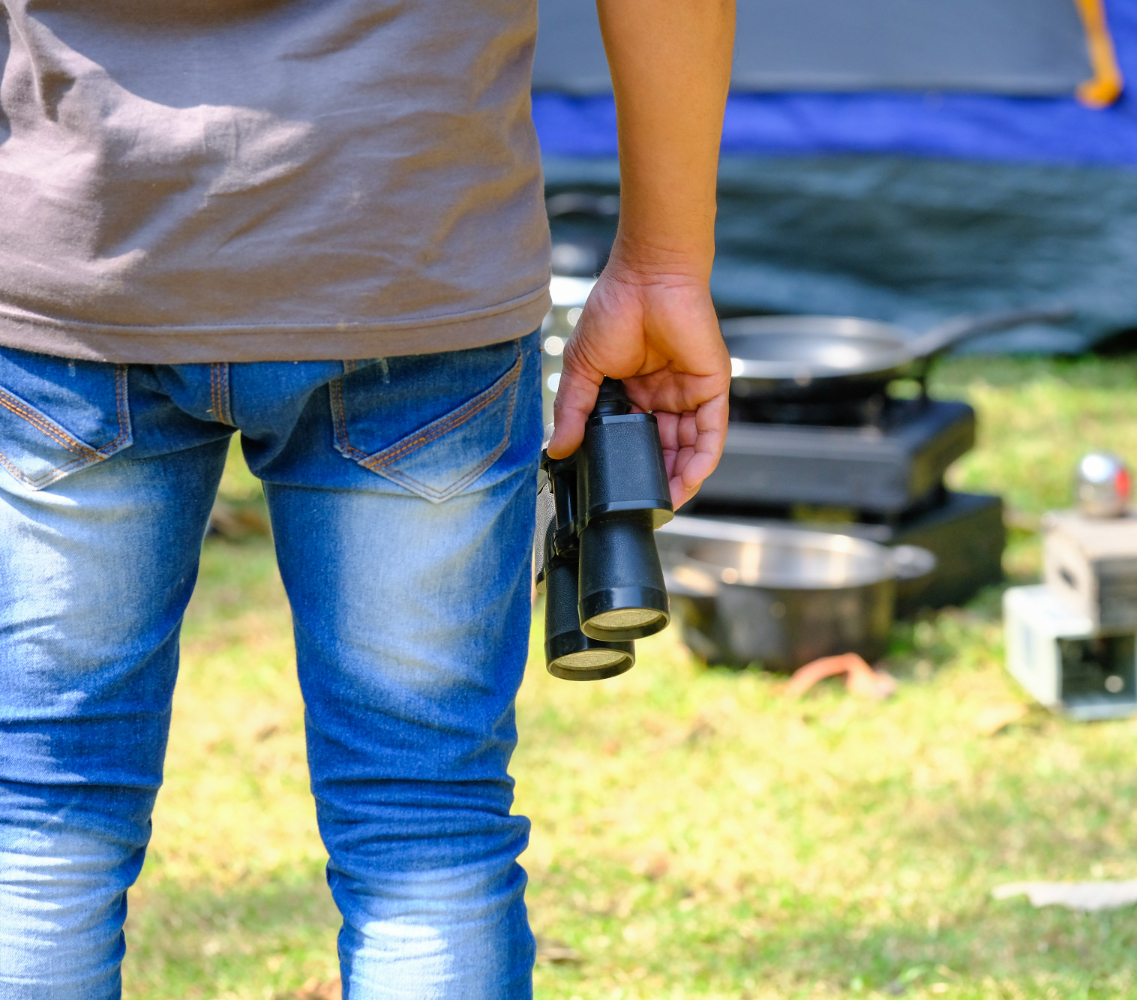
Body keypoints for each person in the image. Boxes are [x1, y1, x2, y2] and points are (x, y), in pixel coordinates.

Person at [0, 0, 733, 997]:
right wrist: (663, 265)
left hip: (74, 267)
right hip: (411, 253)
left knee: (42, 818)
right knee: (423, 817)